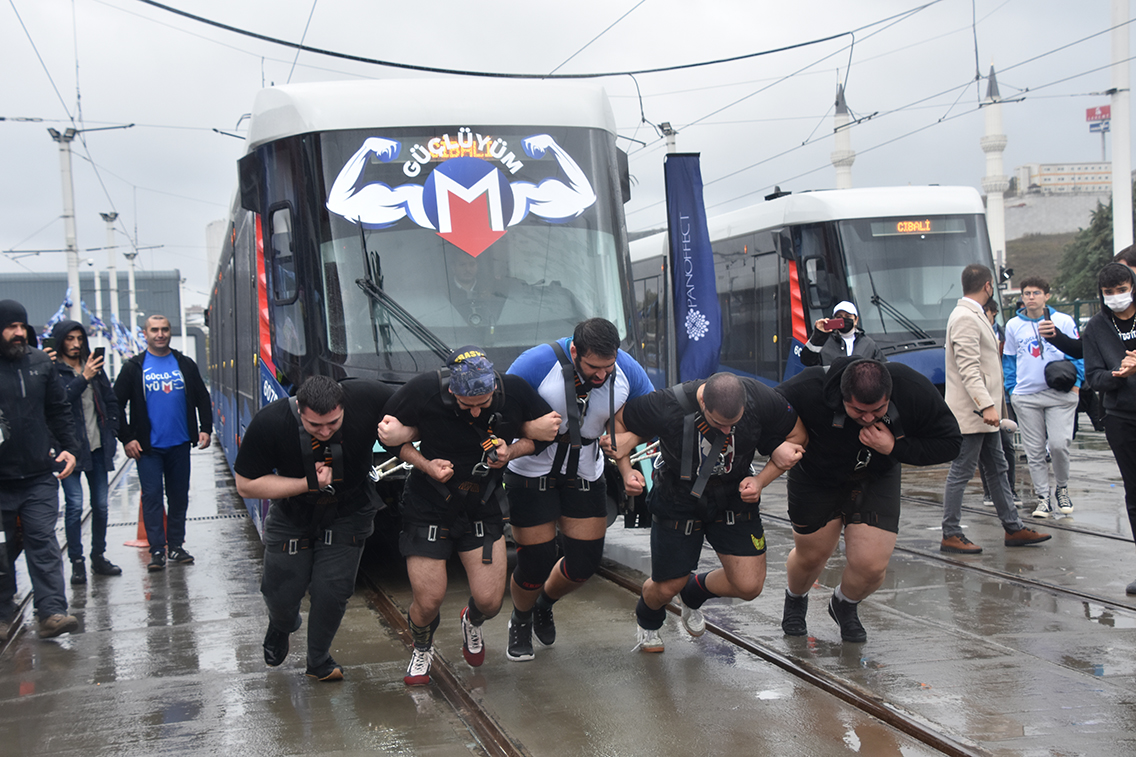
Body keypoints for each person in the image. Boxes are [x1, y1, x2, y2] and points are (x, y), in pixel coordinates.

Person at [380, 347, 553, 685]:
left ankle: (471, 622)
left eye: (482, 403)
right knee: (428, 601)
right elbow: (387, 438)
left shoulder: (512, 389)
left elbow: (546, 436)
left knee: (490, 602)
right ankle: (421, 646)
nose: (475, 411)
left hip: (481, 502)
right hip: (428, 502)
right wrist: (426, 464)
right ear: (450, 390)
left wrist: (510, 451)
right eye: (466, 404)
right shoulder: (423, 390)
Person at [613, 372, 807, 653]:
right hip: (677, 497)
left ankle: (692, 592)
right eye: (719, 424)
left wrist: (763, 478)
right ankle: (648, 616)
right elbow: (617, 423)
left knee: (749, 585)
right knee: (667, 587)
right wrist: (626, 469)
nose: (727, 431)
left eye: (734, 424)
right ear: (702, 402)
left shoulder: (760, 398)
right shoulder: (669, 402)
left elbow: (798, 435)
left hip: (734, 493)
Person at [776, 358, 961, 642]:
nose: (868, 418)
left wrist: (896, 447)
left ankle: (844, 604)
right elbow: (764, 415)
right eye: (858, 411)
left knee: (871, 566)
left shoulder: (911, 387)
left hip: (876, 474)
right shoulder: (808, 387)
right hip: (817, 475)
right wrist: (779, 447)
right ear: (841, 396)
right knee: (812, 555)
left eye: (878, 410)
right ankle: (796, 597)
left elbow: (950, 442)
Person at [502, 318, 653, 661]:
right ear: (575, 351)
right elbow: (498, 413)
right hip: (531, 471)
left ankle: (544, 604)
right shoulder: (536, 363)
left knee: (584, 563)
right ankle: (521, 618)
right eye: (593, 368)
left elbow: (653, 414)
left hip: (585, 470)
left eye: (608, 367)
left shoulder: (626, 369)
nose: (601, 376)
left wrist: (631, 439)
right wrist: (529, 425)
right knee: (536, 562)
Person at [234, 375, 394, 681]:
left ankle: (318, 659)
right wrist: (308, 483)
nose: (324, 432)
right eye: (314, 426)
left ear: (343, 406)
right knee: (280, 593)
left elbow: (413, 409)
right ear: (299, 410)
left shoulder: (366, 395)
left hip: (350, 508)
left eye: (332, 424)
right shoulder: (271, 421)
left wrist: (399, 431)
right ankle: (282, 625)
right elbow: (246, 484)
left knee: (331, 590)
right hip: (294, 510)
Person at [941, 265, 1051, 555]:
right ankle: (950, 532)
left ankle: (1013, 527)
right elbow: (968, 368)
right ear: (989, 286)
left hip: (984, 415)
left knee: (998, 469)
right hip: (974, 414)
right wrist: (987, 405)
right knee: (962, 472)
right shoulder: (965, 317)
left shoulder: (971, 314)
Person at [0, 299, 81, 639]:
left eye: (22, 327)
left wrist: (71, 450)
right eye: (11, 328)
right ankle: (2, 616)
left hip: (37, 476)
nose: (19, 333)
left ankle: (51, 612)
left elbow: (59, 410)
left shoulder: (38, 363)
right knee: (1, 552)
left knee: (43, 542)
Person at [113, 315, 212, 572]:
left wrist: (206, 429)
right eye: (154, 330)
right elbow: (115, 404)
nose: (160, 334)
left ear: (170, 332)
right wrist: (126, 438)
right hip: (148, 449)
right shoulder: (134, 367)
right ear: (145, 334)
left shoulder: (184, 364)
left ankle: (176, 546)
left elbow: (202, 397)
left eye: (165, 329)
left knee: (178, 498)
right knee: (153, 498)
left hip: (179, 444)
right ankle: (157, 550)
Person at [1003, 277, 1084, 517]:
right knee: (1034, 450)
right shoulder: (1013, 325)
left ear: (1046, 296)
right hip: (1026, 396)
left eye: (1036, 292)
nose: (1030, 297)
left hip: (1061, 393)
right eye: (1026, 293)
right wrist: (1012, 389)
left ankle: (1062, 488)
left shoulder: (1063, 320)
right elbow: (1009, 359)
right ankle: (1043, 497)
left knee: (1059, 445)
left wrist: (1077, 385)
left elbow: (1078, 353)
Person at [50, 320, 122, 584]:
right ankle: (76, 561)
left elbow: (110, 401)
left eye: (79, 338)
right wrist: (83, 378)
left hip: (97, 447)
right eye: (69, 339)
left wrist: (112, 430)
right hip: (68, 450)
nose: (76, 344)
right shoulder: (53, 371)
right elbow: (59, 401)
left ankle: (98, 556)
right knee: (75, 506)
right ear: (60, 340)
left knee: (101, 505)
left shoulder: (94, 368)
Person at [1081, 263, 1136, 594]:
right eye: (1109, 292)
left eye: (1122, 289)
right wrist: (1118, 375)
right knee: (1134, 493)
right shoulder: (1097, 327)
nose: (1117, 297)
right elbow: (1093, 376)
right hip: (1120, 417)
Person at [977, 298, 1022, 508]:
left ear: (993, 313)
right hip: (983, 399)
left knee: (1006, 445)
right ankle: (989, 492)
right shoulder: (973, 332)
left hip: (1002, 397)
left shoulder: (1005, 335)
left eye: (985, 312)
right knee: (984, 447)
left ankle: (1009, 490)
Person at [800, 300, 884, 368]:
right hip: (833, 388)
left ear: (856, 320)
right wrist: (818, 335)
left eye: (848, 317)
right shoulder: (825, 343)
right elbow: (807, 361)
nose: (843, 320)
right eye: (839, 317)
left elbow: (884, 369)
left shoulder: (869, 344)